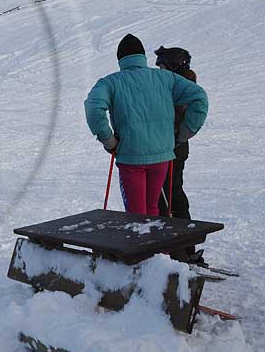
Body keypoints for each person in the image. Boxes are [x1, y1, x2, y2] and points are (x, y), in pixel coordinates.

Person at [84, 34, 208, 216]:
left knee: (136, 215)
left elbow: (93, 108)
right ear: (142, 56)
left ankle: (143, 242)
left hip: (131, 157)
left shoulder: (109, 82)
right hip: (162, 156)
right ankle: (160, 243)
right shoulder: (166, 78)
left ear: (120, 59)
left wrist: (109, 142)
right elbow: (199, 98)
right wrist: (183, 134)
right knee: (153, 208)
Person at [154, 46, 203, 260]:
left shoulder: (182, 85)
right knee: (170, 195)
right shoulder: (175, 82)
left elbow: (193, 111)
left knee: (170, 197)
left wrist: (180, 136)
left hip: (173, 149)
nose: (158, 70)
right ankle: (183, 249)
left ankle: (180, 252)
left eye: (162, 65)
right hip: (169, 147)